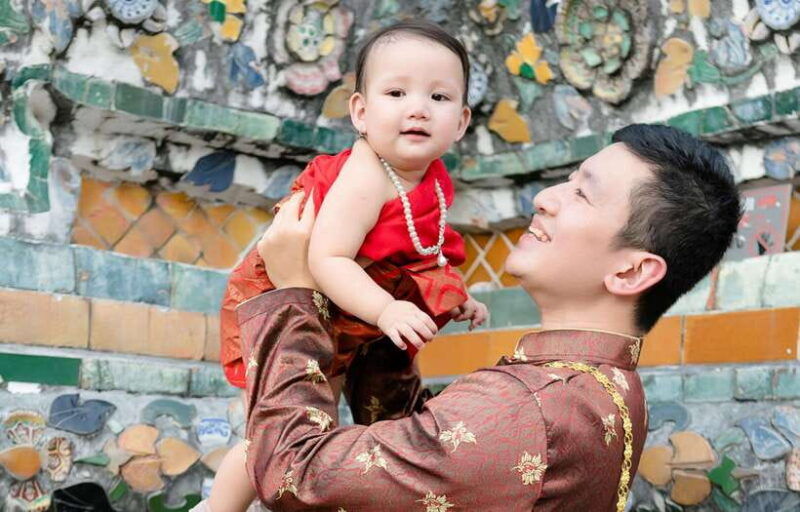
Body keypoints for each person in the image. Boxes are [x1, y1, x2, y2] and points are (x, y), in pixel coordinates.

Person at [234, 124, 742, 510]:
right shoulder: (602, 386)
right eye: (567, 181)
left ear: (631, 271)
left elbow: (294, 472)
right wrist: (379, 309)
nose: (544, 198)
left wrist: (294, 294)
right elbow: (417, 454)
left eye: (582, 194)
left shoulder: (525, 408)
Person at [204, 21, 488, 512]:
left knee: (322, 424)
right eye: (396, 93)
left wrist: (453, 292)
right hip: (299, 297)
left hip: (345, 311)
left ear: (461, 122)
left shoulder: (432, 177)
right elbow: (327, 258)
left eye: (439, 97)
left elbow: (422, 248)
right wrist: (386, 310)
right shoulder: (366, 176)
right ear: (360, 112)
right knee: (281, 426)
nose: (418, 108)